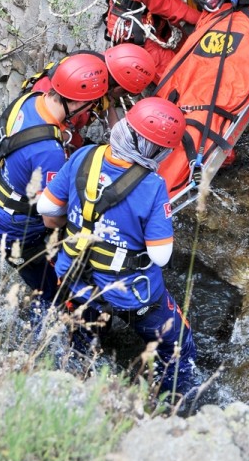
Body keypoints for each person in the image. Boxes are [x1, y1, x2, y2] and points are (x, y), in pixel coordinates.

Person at [37, 96, 197, 395]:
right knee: (178, 347)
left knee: (81, 344)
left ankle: (78, 384)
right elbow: (161, 256)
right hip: (135, 294)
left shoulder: (84, 155)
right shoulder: (152, 185)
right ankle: (177, 404)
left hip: (77, 280)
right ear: (158, 149)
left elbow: (46, 206)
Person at [0, 53, 109, 309]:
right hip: (20, 229)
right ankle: (46, 337)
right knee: (51, 295)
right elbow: (51, 217)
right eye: (90, 104)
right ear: (76, 103)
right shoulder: (48, 150)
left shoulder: (31, 99)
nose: (91, 110)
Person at [25, 44, 158, 146]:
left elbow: (108, 106)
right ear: (117, 87)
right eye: (125, 92)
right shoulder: (68, 94)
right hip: (41, 135)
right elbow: (48, 136)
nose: (123, 96)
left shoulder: (100, 70)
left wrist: (120, 138)